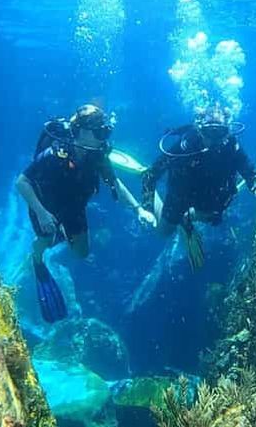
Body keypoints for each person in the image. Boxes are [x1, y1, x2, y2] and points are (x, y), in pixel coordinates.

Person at [16, 104, 156, 323]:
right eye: (99, 132)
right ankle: (36, 257)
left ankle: (60, 235)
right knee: (46, 239)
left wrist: (139, 209)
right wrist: (42, 213)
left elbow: (115, 185)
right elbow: (22, 182)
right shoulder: (56, 153)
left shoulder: (97, 155)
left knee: (81, 252)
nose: (104, 137)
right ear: (81, 131)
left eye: (106, 132)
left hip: (74, 207)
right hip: (46, 208)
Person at [141, 104, 256, 270]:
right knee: (163, 232)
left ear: (228, 131)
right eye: (209, 132)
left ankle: (189, 217)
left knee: (213, 218)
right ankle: (176, 213)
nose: (214, 140)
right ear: (199, 129)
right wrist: (146, 207)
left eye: (220, 132)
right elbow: (150, 176)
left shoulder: (231, 146)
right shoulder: (185, 146)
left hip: (212, 200)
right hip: (181, 197)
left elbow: (249, 171)